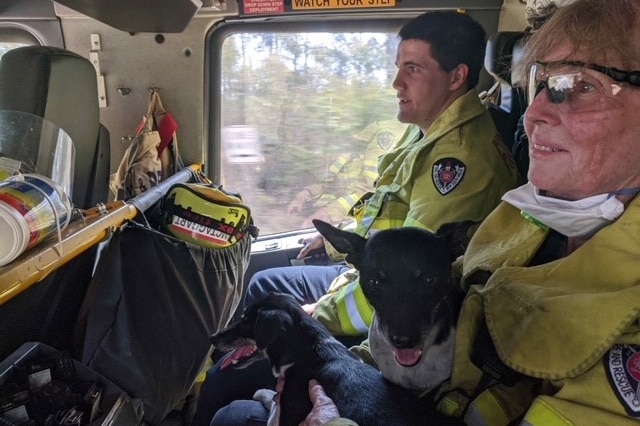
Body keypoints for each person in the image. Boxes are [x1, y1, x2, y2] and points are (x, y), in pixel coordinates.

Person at [302, 0, 640, 424]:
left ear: (457, 77)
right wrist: (349, 369)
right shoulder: (518, 218)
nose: (532, 114)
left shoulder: (463, 162)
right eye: (539, 83)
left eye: (579, 85)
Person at [192, 10, 519, 426]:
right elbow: (386, 205)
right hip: (373, 278)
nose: (396, 83)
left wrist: (318, 314)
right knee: (267, 282)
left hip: (398, 311)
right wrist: (335, 240)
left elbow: (403, 278)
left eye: (412, 69)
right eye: (398, 67)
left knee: (225, 385)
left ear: (456, 77)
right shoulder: (428, 128)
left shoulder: (460, 163)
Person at [286, 120, 407, 228]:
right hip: (332, 213)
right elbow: (327, 182)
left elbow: (368, 193)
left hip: (355, 221)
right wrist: (302, 197)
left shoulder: (370, 165)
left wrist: (327, 213)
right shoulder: (346, 158)